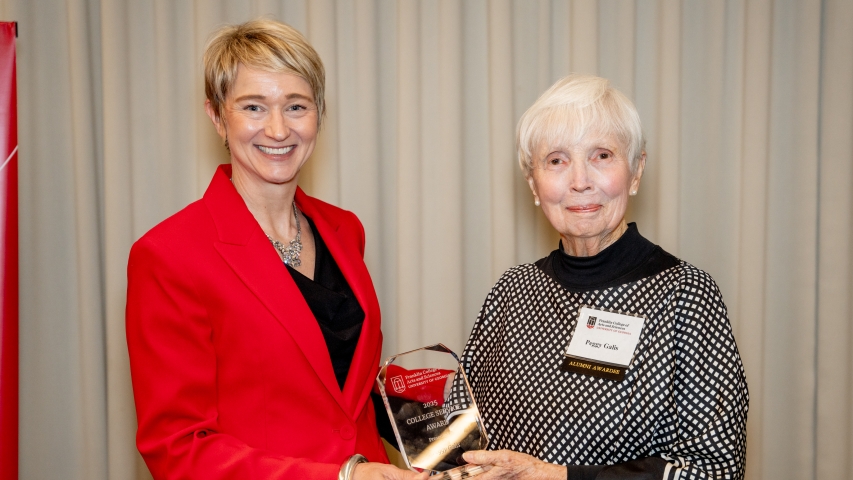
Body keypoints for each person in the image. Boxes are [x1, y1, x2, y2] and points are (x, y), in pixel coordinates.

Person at [125, 18, 425, 480]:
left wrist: (455, 420)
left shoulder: (345, 229)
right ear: (217, 116)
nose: (279, 129)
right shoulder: (168, 255)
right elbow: (177, 450)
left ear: (319, 114)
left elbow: (342, 386)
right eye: (254, 107)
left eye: (296, 106)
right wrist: (341, 477)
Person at [458, 75, 748, 479]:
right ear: (534, 184)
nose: (580, 181)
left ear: (636, 171)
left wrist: (560, 477)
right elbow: (461, 431)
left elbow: (714, 470)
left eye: (602, 155)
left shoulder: (685, 296)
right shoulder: (512, 291)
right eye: (557, 160)